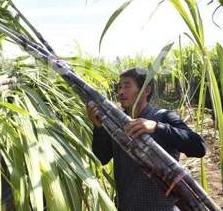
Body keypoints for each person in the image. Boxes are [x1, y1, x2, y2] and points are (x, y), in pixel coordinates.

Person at [87, 68, 206, 211]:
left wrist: (157, 127)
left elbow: (199, 147)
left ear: (146, 90)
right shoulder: (116, 122)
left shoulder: (163, 117)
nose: (120, 92)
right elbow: (102, 158)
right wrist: (99, 128)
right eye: (119, 87)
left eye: (127, 86)